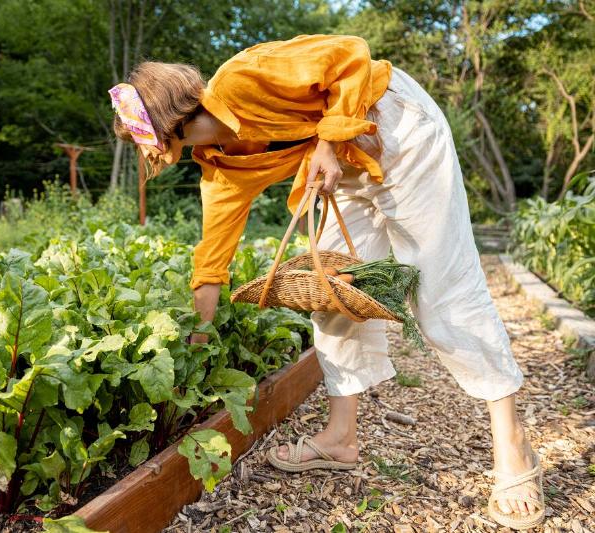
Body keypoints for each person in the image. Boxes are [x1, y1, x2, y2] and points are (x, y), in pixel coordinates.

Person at [108, 34, 545, 530]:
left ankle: (513, 447)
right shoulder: (221, 169)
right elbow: (212, 263)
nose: (149, 156)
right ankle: (340, 438)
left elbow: (350, 55)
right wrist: (197, 345)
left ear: (163, 122)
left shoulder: (243, 77)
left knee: (442, 286)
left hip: (395, 128)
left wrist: (329, 142)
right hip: (338, 164)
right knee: (333, 291)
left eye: (141, 139)